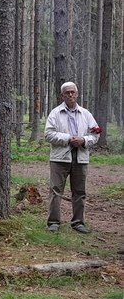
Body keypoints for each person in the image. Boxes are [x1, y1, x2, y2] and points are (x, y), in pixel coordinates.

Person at [44, 82, 99, 234]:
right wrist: (68, 139)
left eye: (72, 92)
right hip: (59, 158)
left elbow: (95, 134)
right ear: (62, 95)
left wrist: (84, 140)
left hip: (80, 157)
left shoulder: (86, 114)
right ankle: (53, 222)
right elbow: (48, 134)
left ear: (77, 94)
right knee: (56, 190)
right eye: (67, 93)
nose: (70, 95)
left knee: (80, 191)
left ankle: (78, 222)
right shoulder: (55, 113)